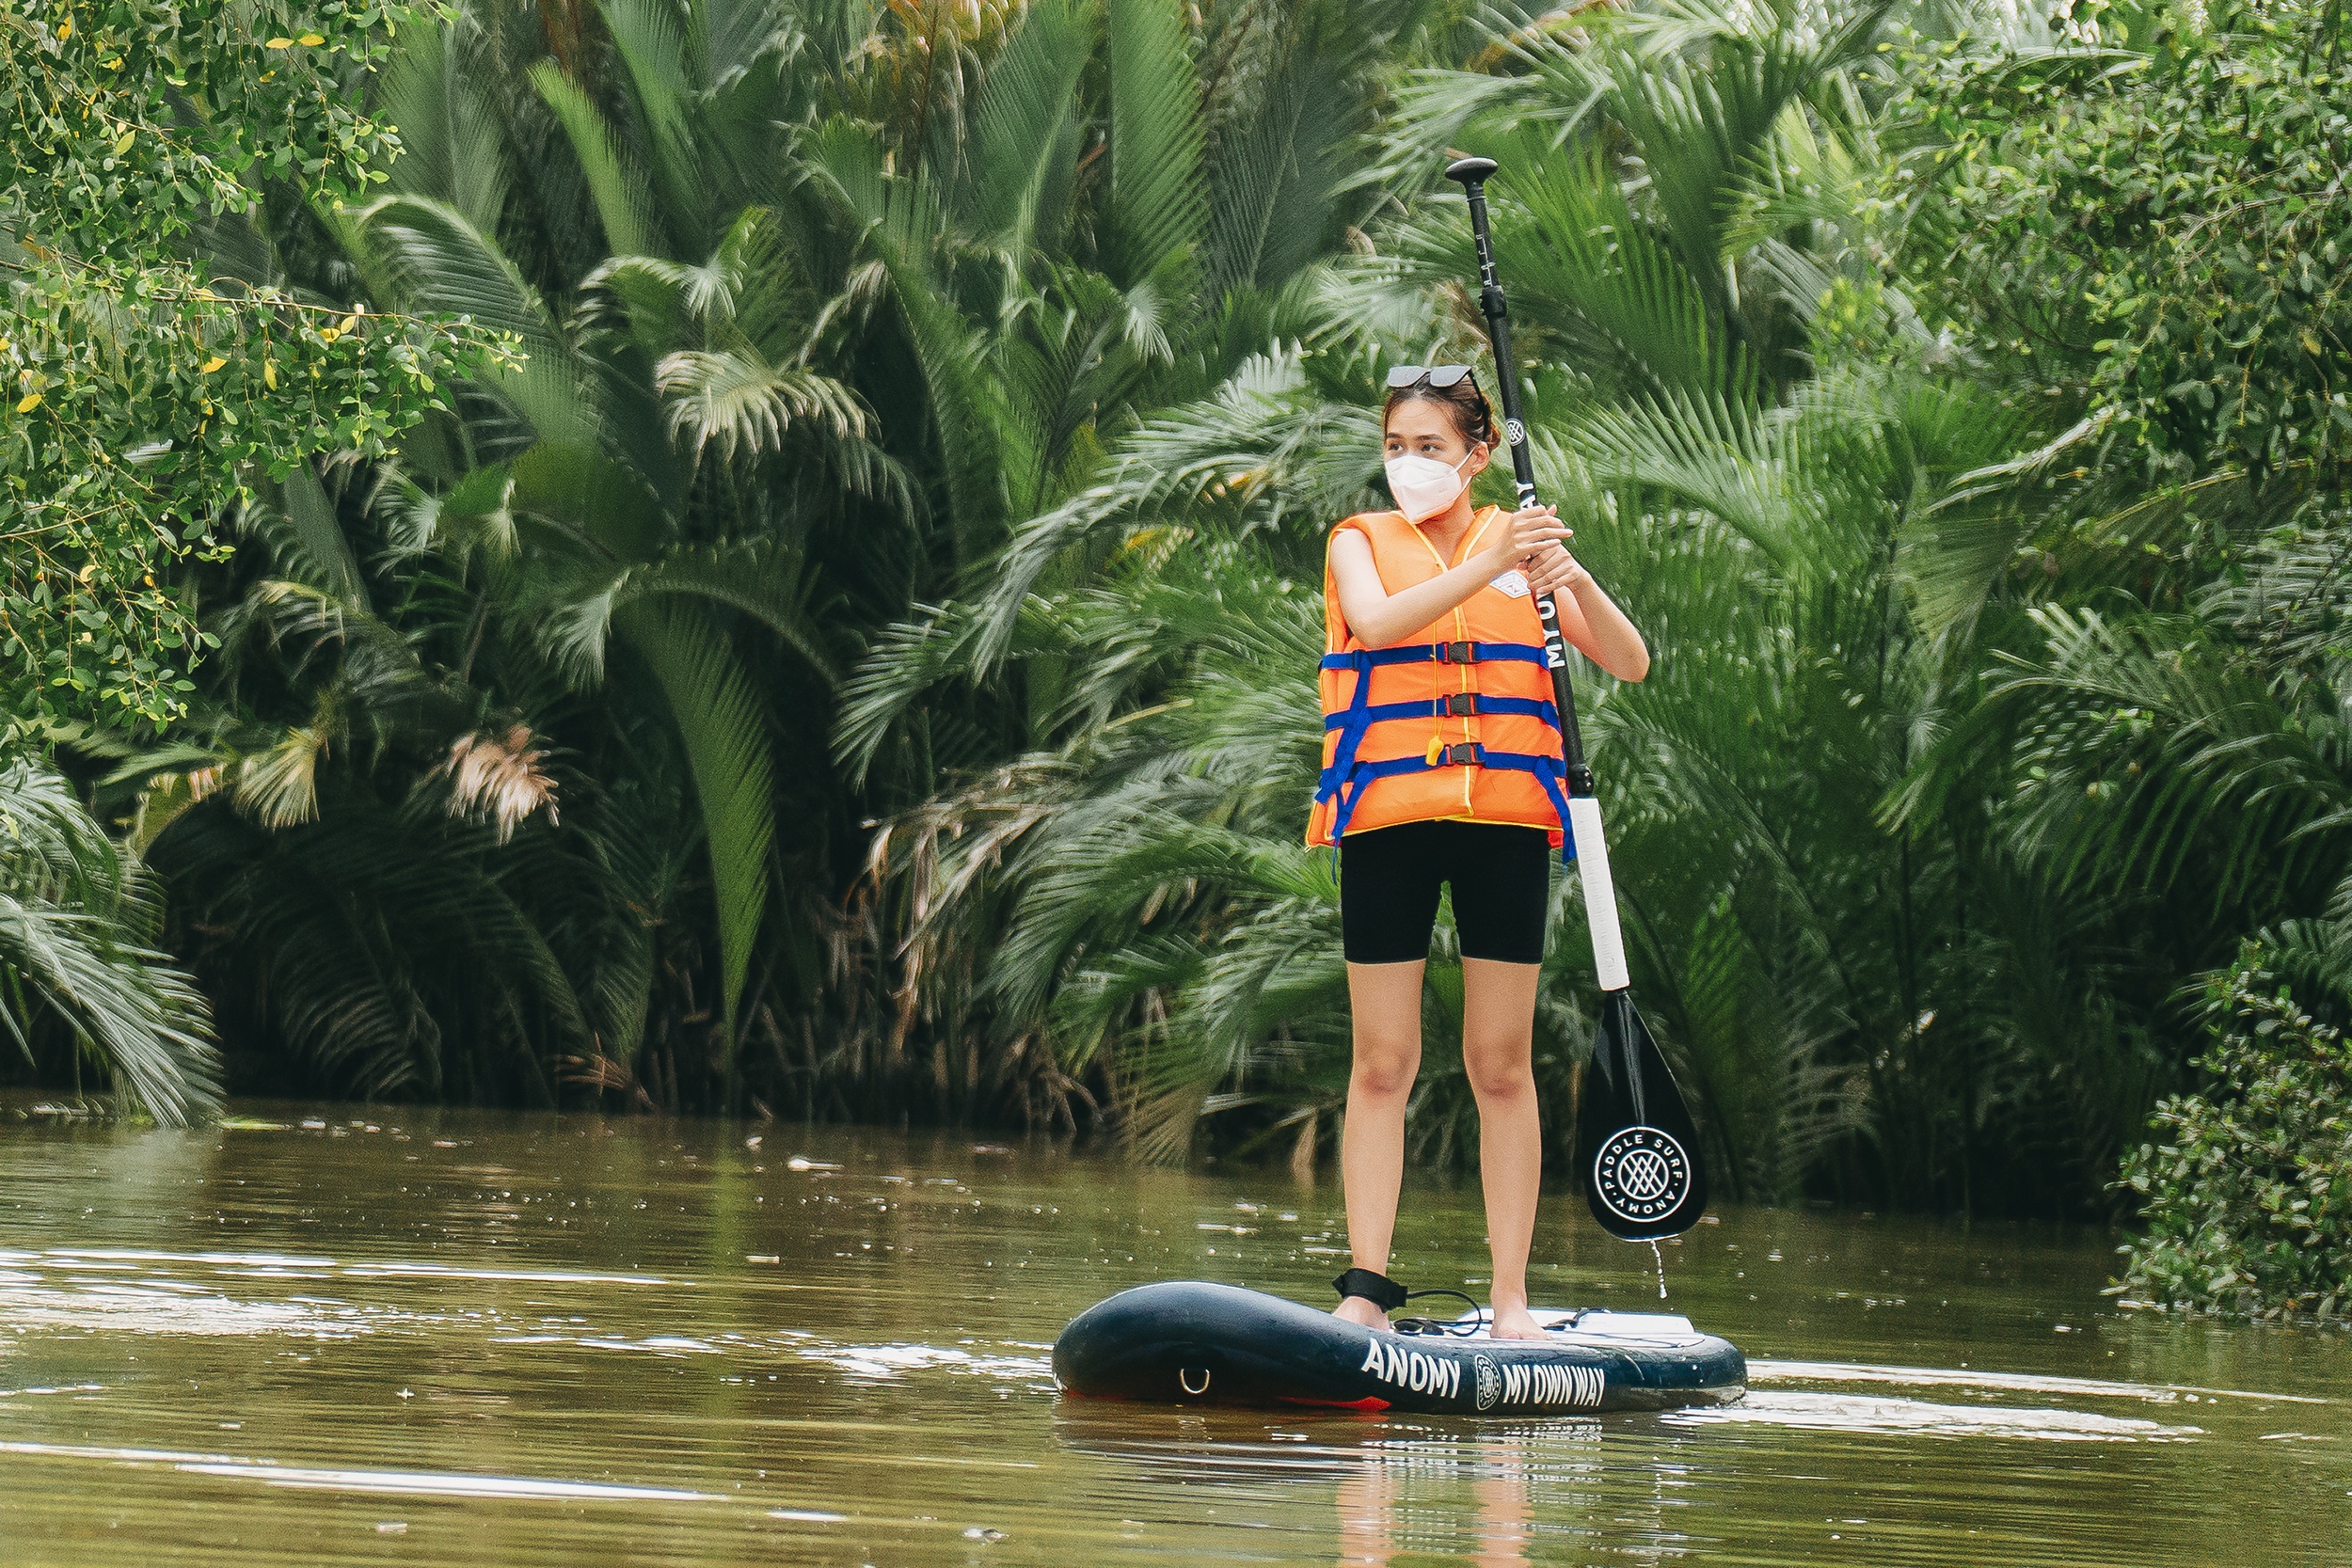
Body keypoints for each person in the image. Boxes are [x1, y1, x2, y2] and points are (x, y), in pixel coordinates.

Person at [1310, 364, 1649, 1340]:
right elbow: (1373, 623)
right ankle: (1364, 1290)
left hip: (1503, 823)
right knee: (1383, 1059)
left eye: (1428, 446)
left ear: (1477, 452)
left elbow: (1628, 660)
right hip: (1390, 821)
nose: (1407, 464)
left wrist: (1560, 566)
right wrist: (1490, 554)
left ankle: (1510, 1300)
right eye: (1393, 446)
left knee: (1499, 1063)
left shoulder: (1520, 545)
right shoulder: (1358, 542)